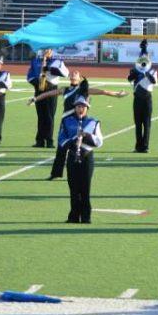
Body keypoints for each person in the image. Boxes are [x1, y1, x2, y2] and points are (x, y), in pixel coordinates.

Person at [29, 72, 125, 180]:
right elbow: (49, 94)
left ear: (79, 78)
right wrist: (35, 99)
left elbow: (103, 92)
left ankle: (79, 173)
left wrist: (116, 94)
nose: (73, 75)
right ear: (69, 77)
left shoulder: (84, 90)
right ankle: (56, 173)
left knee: (79, 147)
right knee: (61, 147)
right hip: (65, 122)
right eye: (72, 74)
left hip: (78, 122)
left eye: (76, 74)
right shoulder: (65, 89)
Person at [57, 96, 103, 224]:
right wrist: (73, 141)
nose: (80, 109)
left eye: (83, 107)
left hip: (87, 156)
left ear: (87, 108)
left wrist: (86, 136)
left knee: (85, 188)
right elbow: (61, 140)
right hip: (72, 155)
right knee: (73, 188)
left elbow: (99, 142)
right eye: (78, 106)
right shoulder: (66, 121)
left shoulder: (93, 122)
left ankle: (86, 217)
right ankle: (74, 216)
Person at [26, 48, 69, 148]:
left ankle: (49, 141)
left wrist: (49, 69)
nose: (46, 51)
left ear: (52, 51)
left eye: (48, 50)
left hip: (51, 89)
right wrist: (37, 83)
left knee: (49, 116)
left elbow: (66, 73)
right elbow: (29, 76)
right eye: (44, 49)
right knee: (41, 116)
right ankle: (39, 141)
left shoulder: (57, 61)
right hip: (39, 88)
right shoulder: (36, 61)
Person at [128, 39, 157, 153]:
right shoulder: (135, 70)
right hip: (137, 99)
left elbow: (154, 81)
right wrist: (135, 73)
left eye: (146, 59)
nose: (144, 60)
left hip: (147, 99)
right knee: (138, 124)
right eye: (142, 59)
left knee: (147, 123)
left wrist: (146, 72)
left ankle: (145, 146)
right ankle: (138, 146)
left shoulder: (153, 71)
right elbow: (129, 79)